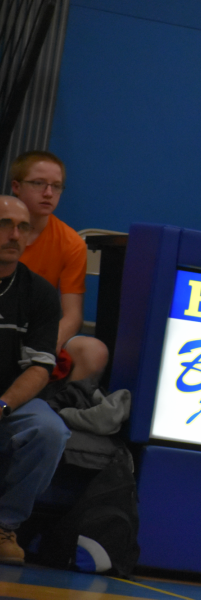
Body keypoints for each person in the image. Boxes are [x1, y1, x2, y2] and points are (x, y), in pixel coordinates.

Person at [0, 196, 69, 564]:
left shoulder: (39, 293)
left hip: (9, 403)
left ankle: (4, 527)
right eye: (4, 224)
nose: (14, 234)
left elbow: (40, 368)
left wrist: (3, 405)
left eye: (22, 227)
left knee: (49, 430)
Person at [9, 151, 109, 385]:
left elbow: (72, 316)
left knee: (94, 351)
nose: (48, 193)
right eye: (38, 184)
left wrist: (42, 347)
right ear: (16, 186)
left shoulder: (70, 241)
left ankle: (54, 408)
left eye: (56, 186)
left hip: (38, 331)